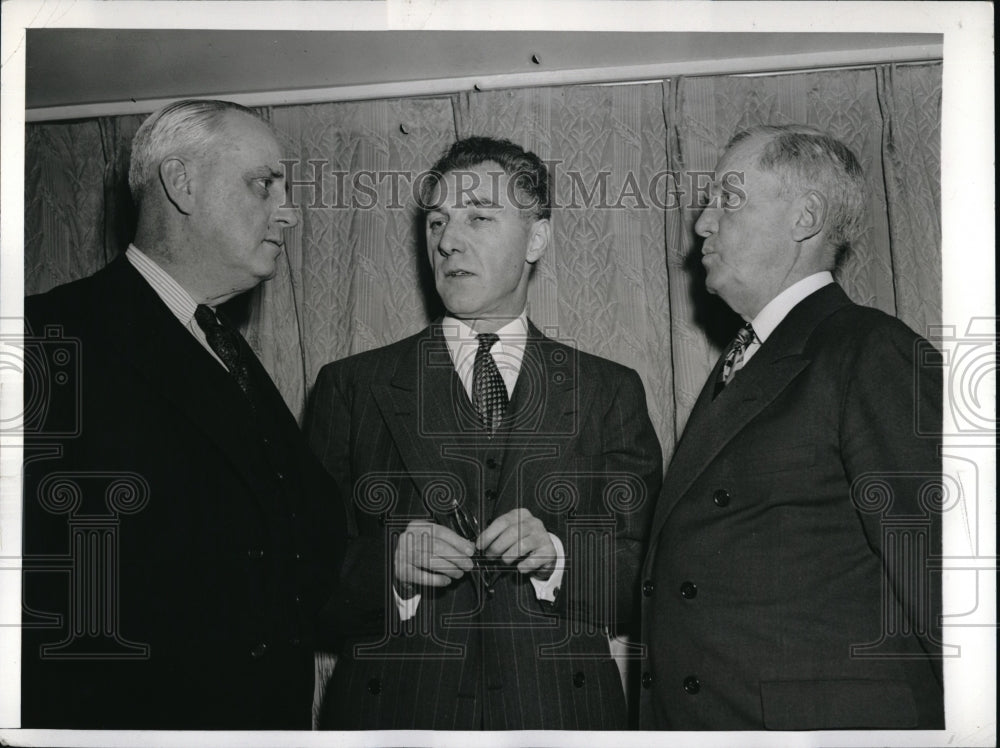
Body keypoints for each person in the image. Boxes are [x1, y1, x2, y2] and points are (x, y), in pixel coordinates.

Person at [306, 136, 663, 730]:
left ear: (537, 238)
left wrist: (556, 557)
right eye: (438, 221)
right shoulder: (352, 386)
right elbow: (304, 583)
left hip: (560, 716)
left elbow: (650, 583)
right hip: (394, 716)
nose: (447, 240)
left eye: (479, 217)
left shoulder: (608, 390)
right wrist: (388, 565)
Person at [21, 99, 347, 729]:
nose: (289, 211)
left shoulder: (225, 348)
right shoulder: (42, 338)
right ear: (181, 183)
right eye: (263, 184)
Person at [638, 125, 944, 730]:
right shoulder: (747, 359)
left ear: (805, 217)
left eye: (729, 199)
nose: (702, 225)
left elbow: (945, 580)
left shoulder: (872, 350)